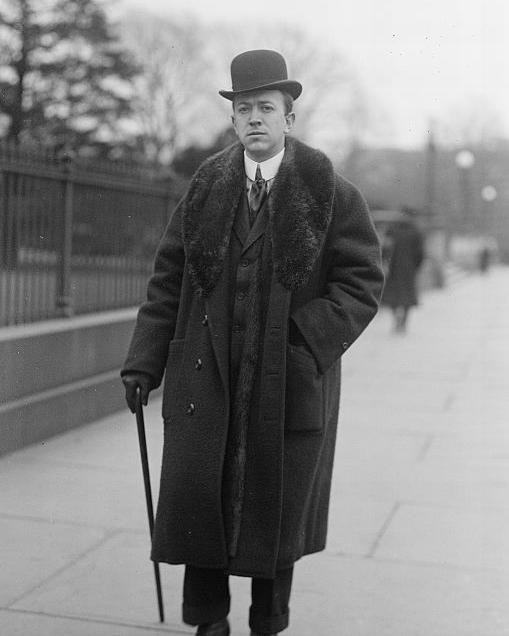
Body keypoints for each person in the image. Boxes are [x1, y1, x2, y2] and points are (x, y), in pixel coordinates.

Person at [121, 49, 384, 636]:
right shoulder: (206, 189)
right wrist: (143, 362)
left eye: (266, 108)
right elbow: (167, 277)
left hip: (285, 378)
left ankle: (269, 622)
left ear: (290, 118)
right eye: (244, 110)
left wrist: (303, 340)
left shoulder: (332, 194)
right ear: (233, 120)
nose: (254, 119)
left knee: (277, 510)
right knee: (200, 502)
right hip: (207, 375)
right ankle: (208, 621)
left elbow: (362, 282)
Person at [382, 207, 424, 333]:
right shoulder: (415, 231)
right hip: (407, 269)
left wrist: (384, 261)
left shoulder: (392, 229)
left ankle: (397, 320)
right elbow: (420, 253)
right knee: (407, 297)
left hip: (394, 268)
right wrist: (416, 266)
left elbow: (385, 248)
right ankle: (402, 322)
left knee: (393, 296)